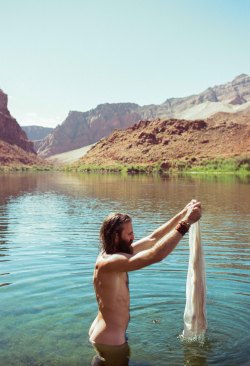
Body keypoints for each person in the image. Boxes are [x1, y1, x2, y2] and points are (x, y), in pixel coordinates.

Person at [89, 199, 202, 365]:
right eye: (129, 234)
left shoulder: (114, 252)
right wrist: (186, 223)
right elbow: (156, 254)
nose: (133, 237)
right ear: (115, 236)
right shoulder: (110, 262)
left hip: (108, 336)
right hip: (110, 342)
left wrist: (184, 213)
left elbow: (153, 239)